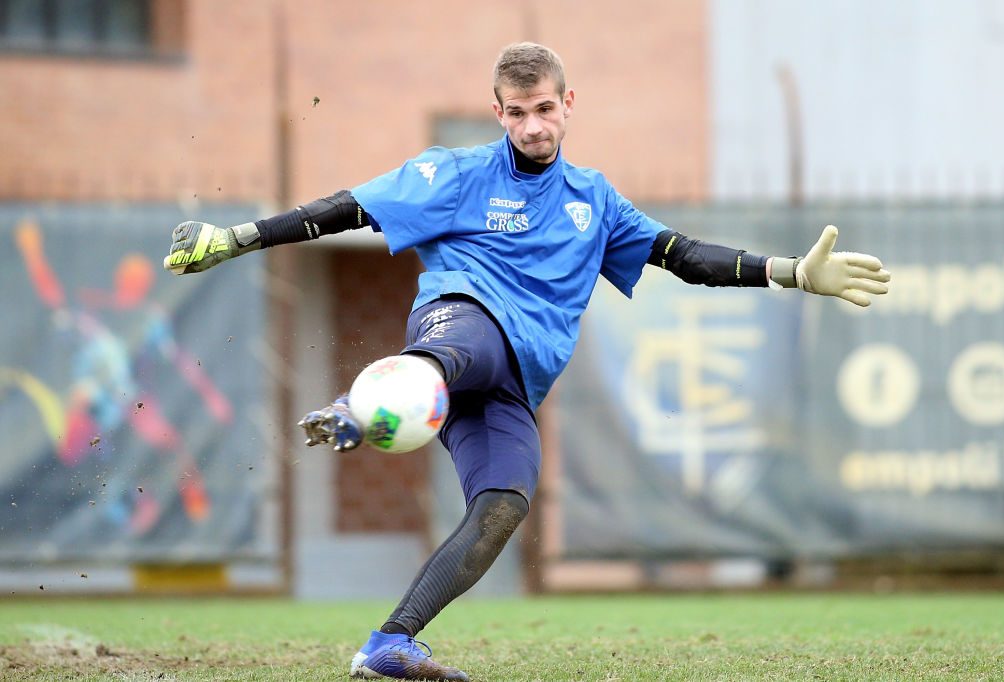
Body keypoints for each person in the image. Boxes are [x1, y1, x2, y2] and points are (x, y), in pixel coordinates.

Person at [163, 42, 890, 681]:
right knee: (463, 347)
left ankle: (388, 643)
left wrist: (791, 271)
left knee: (503, 505)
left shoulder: (595, 199)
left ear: (569, 103)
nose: (532, 126)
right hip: (460, 322)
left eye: (544, 108)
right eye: (516, 113)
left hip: (514, 381)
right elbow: (352, 207)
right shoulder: (458, 173)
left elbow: (684, 257)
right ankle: (360, 408)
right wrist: (237, 237)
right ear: (497, 112)